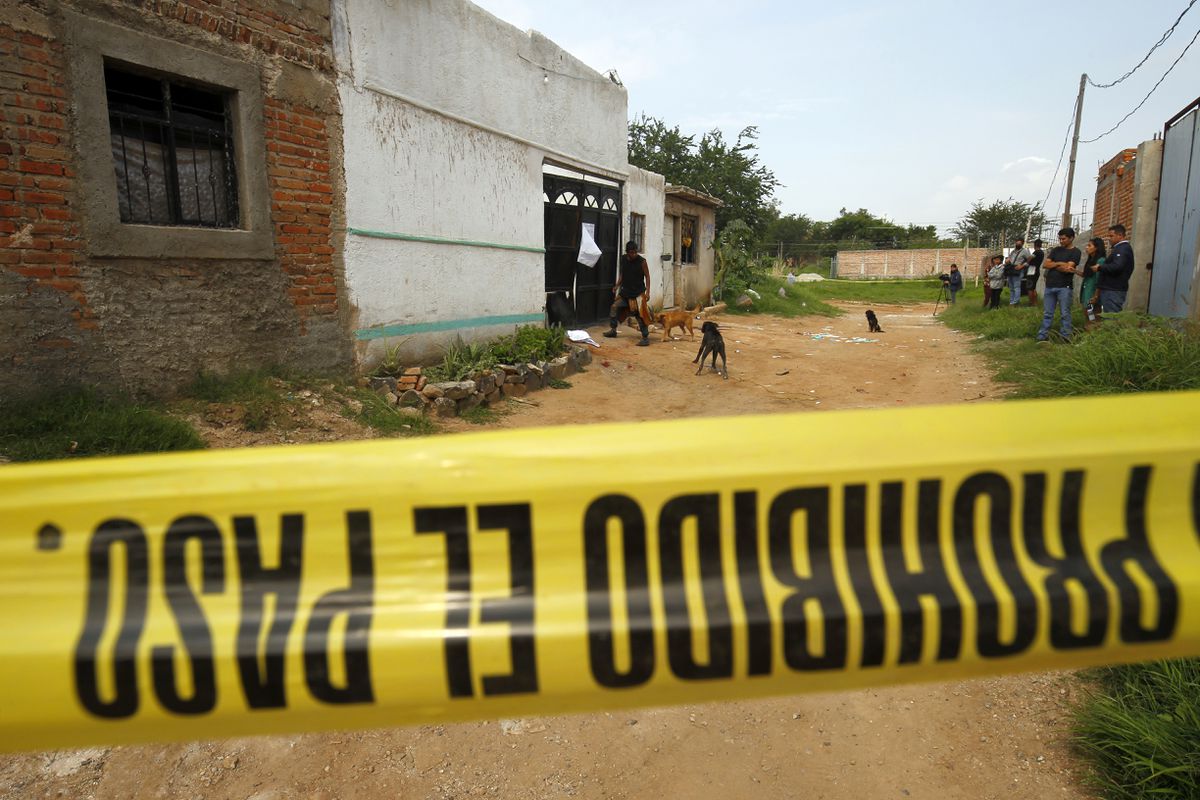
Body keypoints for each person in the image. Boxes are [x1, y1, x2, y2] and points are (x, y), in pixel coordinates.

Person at [1036, 228, 1081, 342]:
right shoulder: (1056, 250)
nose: (1061, 241)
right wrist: (1059, 263)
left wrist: (1054, 264)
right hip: (1050, 286)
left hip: (1064, 287)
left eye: (1064, 239)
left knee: (1065, 313)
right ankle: (1042, 336)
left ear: (1071, 238)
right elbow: (1045, 264)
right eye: (1060, 239)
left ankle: (1065, 336)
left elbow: (1067, 269)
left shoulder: (1076, 252)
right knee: (1047, 313)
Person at [605, 240, 651, 345]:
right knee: (614, 307)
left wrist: (648, 292)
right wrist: (617, 285)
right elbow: (623, 274)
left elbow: (647, 276)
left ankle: (645, 337)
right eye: (631, 252)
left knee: (639, 314)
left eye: (635, 252)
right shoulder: (623, 259)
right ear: (627, 252)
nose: (634, 254)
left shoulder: (642, 261)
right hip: (625, 292)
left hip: (638, 293)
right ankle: (613, 330)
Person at [1098, 223, 1135, 312]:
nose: (1109, 239)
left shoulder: (1122, 249)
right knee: (1108, 316)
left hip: (1114, 290)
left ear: (1120, 235)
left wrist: (1100, 267)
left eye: (1111, 236)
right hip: (1110, 289)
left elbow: (1117, 266)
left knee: (1111, 318)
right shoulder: (1118, 248)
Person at [1078, 237, 1106, 318]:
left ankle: (1092, 329)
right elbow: (1086, 275)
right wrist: (1074, 271)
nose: (1087, 247)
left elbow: (1099, 279)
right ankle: (1089, 329)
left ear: (1096, 248)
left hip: (1092, 294)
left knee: (1092, 317)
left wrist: (1095, 296)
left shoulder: (1100, 261)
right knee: (1088, 315)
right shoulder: (1091, 260)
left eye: (1089, 245)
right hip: (1087, 292)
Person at [1004, 237, 1031, 306]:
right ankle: (1011, 302)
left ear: (1022, 243)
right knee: (1011, 287)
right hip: (1011, 269)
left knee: (1016, 287)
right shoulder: (1013, 251)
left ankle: (1016, 302)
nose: (1018, 244)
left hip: (1018, 270)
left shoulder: (1025, 251)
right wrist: (1007, 260)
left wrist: (1022, 266)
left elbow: (1030, 260)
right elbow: (1009, 258)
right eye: (1017, 242)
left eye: (1019, 243)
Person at [1024, 239, 1044, 305]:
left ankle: (1031, 303)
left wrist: (1026, 263)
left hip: (1032, 271)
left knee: (1030, 288)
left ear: (1035, 245)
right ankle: (1035, 302)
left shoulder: (1036, 252)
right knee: (1033, 287)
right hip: (1037, 270)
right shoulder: (1042, 252)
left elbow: (1030, 258)